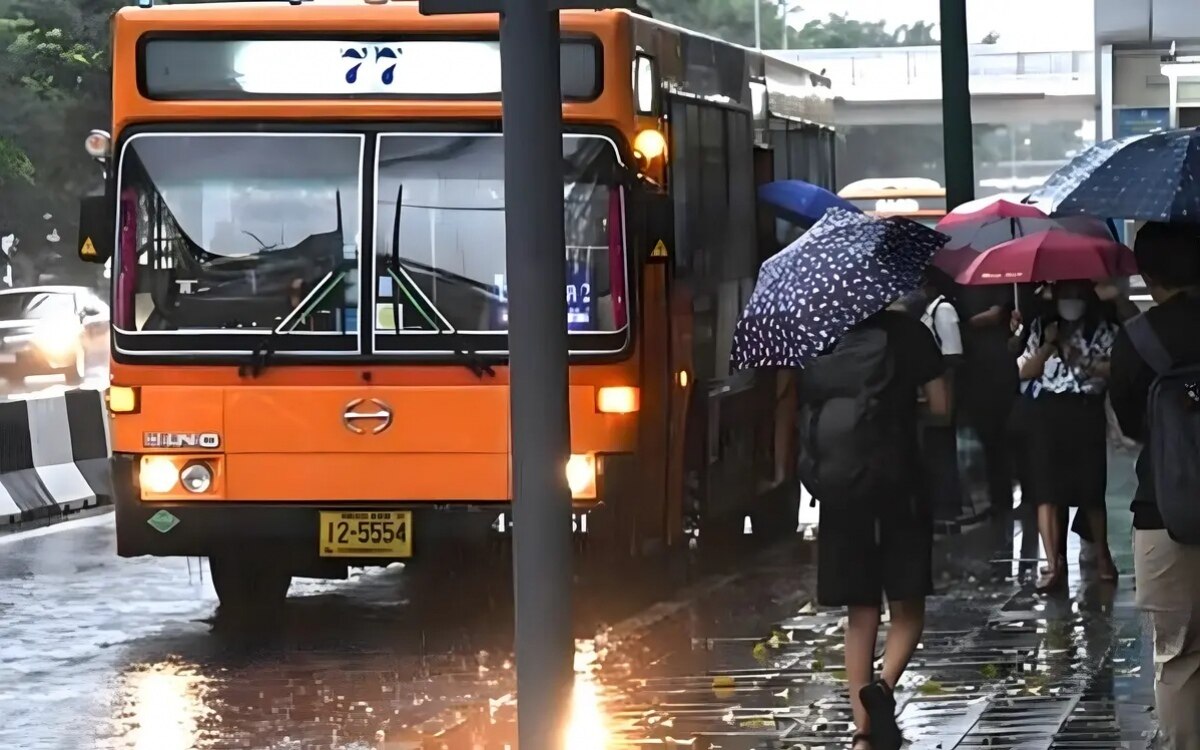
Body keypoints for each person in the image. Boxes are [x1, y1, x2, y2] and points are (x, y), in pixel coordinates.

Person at [795, 307, 948, 750]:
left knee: (859, 613)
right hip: (902, 485)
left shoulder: (823, 333)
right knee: (908, 609)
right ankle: (882, 689)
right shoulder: (910, 334)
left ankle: (863, 729)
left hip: (843, 489)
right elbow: (942, 407)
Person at [1109, 221, 1200, 749]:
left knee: (1180, 654)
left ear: (1149, 273)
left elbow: (1130, 424)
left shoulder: (1141, 338)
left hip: (1166, 510)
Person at [1017, 280, 1120, 590]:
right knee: (1045, 489)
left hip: (1084, 409)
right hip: (1045, 412)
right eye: (1065, 296)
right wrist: (1050, 344)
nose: (1071, 302)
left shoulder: (1103, 329)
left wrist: (1082, 359)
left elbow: (1115, 368)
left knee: (1091, 487)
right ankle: (1052, 562)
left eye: (1077, 296)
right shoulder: (1042, 327)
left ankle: (1102, 555)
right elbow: (1025, 370)